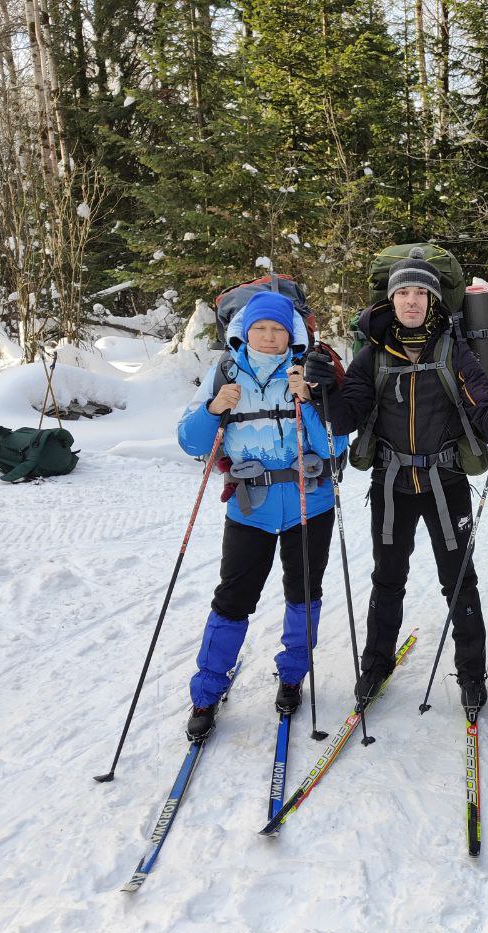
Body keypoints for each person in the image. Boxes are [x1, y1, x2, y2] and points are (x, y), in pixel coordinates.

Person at [305, 248, 488, 712]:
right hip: (391, 484)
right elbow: (344, 416)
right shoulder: (373, 354)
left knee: (459, 579)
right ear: (392, 300)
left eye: (421, 292)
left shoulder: (453, 349)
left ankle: (473, 672)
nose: (413, 300)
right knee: (388, 578)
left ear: (434, 302)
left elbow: (485, 412)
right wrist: (323, 390)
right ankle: (376, 665)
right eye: (404, 292)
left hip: (447, 483)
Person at [177, 290, 349, 740]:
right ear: (245, 331)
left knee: (303, 593)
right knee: (232, 599)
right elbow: (192, 443)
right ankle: (207, 690)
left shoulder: (307, 372)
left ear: (290, 332)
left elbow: (336, 445)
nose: (269, 337)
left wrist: (309, 401)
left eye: (277, 329)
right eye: (260, 328)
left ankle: (292, 675)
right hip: (249, 509)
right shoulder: (223, 373)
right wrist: (215, 409)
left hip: (310, 505)